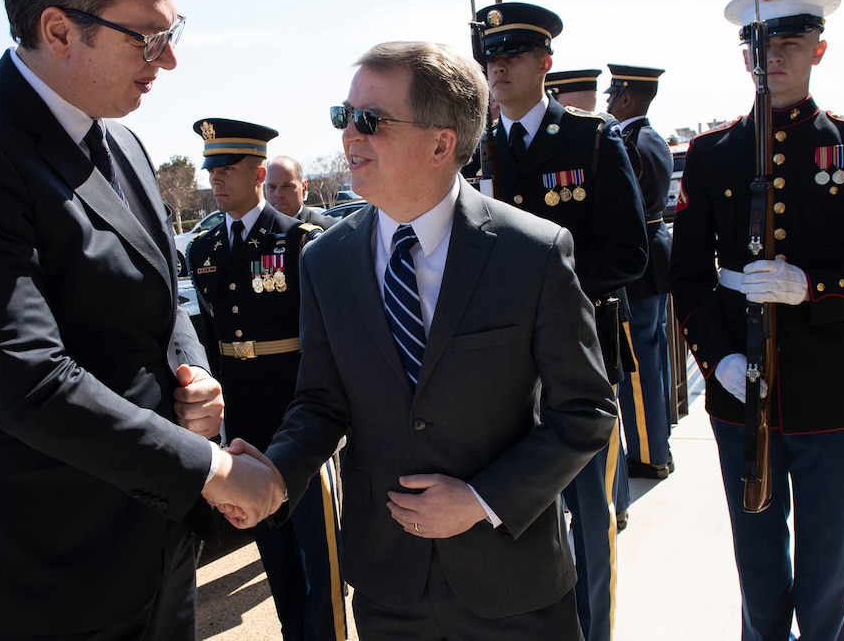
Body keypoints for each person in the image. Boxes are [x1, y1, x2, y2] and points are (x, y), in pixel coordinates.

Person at [0, 0, 280, 638]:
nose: (166, 62)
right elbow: (28, 380)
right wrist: (211, 469)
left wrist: (193, 379)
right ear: (60, 30)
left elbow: (167, 296)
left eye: (173, 34)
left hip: (149, 534)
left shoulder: (122, 142)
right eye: (148, 37)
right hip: (44, 557)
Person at [195, 40, 618, 640]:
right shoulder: (326, 260)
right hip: (388, 585)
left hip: (513, 586)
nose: (349, 137)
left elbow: (586, 411)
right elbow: (320, 403)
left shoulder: (534, 252)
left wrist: (481, 499)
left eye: (370, 121)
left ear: (441, 141)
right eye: (344, 117)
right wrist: (273, 478)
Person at [669, 0, 844, 641]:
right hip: (738, 389)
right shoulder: (712, 153)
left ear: (819, 48)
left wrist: (812, 288)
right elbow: (689, 278)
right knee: (754, 556)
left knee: (825, 553)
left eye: (788, 42)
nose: (771, 55)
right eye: (758, 43)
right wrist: (718, 358)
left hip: (824, 386)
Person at [476, 1, 648, 641]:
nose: (500, 67)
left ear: (546, 63)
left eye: (514, 53)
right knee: (514, 513)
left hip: (578, 358)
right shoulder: (477, 152)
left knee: (588, 513)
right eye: (491, 55)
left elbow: (629, 252)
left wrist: (546, 286)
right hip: (499, 368)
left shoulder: (592, 140)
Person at [187, 119, 346, 640]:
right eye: (211, 168)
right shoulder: (204, 251)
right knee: (275, 556)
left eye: (226, 169)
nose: (215, 179)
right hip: (246, 425)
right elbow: (212, 343)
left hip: (297, 418)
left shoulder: (300, 241)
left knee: (320, 556)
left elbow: (326, 343)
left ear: (258, 173)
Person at [605, 64, 676, 480]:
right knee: (654, 355)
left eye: (613, 96)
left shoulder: (627, 143)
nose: (609, 102)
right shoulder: (655, 139)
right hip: (657, 253)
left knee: (637, 367)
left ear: (627, 99)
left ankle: (650, 454)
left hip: (637, 263)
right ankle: (659, 439)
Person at [265, 155, 339, 228]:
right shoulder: (257, 230)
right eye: (272, 187)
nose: (278, 194)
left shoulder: (331, 229)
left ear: (304, 187)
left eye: (287, 186)